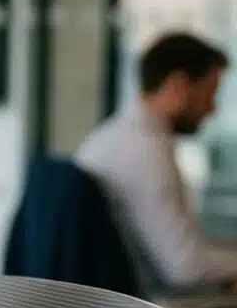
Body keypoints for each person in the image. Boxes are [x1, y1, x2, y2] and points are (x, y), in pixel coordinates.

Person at [75, 30, 237, 291]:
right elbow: (185, 266)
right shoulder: (143, 150)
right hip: (152, 304)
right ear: (179, 85)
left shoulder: (114, 135)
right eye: (209, 93)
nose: (211, 108)